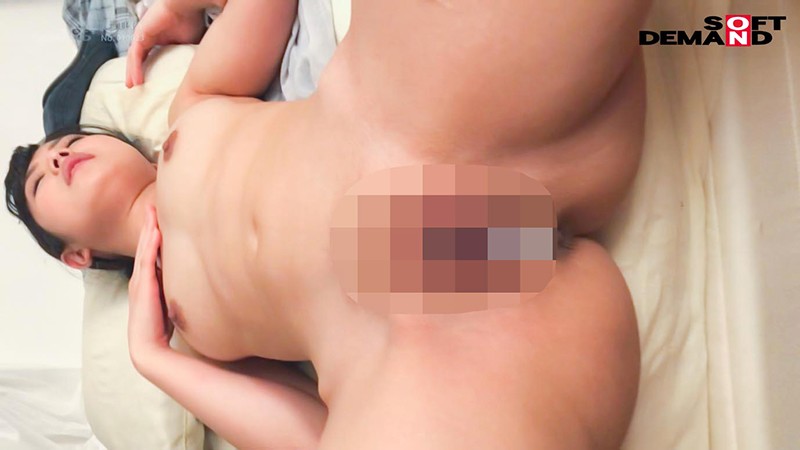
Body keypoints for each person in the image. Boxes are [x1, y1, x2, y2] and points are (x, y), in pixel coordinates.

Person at [7, 0, 650, 447]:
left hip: (423, 123)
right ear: (76, 256)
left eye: (66, 141)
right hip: (426, 335)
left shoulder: (189, 111)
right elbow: (312, 438)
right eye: (41, 181)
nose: (58, 157)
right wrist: (153, 359)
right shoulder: (186, 333)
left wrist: (191, 7)